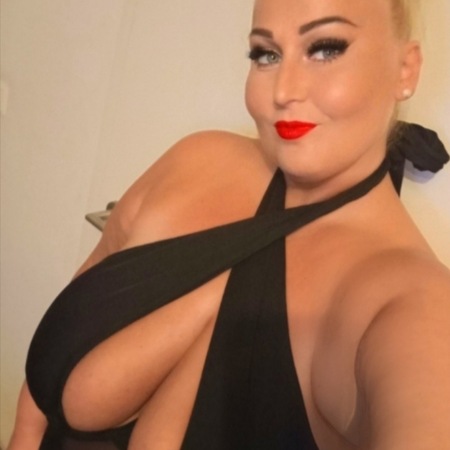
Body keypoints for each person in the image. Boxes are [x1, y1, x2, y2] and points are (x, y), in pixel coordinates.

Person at [8, 0, 450, 449]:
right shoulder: (195, 163)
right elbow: (48, 376)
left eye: (326, 48)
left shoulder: (411, 302)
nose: (284, 90)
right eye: (266, 54)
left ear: (406, 69)